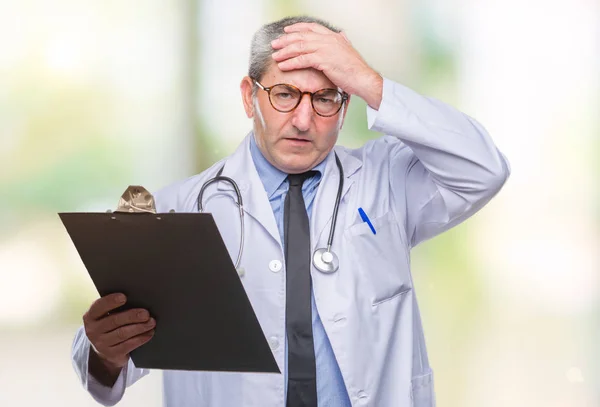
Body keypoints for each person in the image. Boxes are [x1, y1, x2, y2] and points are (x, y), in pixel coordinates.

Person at [71, 15, 510, 407]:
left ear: (345, 105)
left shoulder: (387, 181)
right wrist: (106, 350)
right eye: (284, 94)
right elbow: (107, 369)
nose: (303, 119)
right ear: (249, 97)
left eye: (325, 99)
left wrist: (367, 80)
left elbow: (483, 169)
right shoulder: (181, 208)